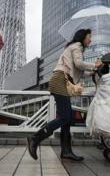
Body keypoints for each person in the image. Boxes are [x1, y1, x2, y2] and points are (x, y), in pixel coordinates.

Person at [27, 29, 102, 162]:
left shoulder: (74, 48)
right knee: (66, 117)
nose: (91, 39)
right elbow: (79, 64)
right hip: (61, 80)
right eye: (89, 36)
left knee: (67, 118)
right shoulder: (77, 46)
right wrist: (95, 65)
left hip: (62, 80)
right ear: (82, 37)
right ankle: (35, 138)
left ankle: (66, 151)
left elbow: (77, 69)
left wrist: (90, 73)